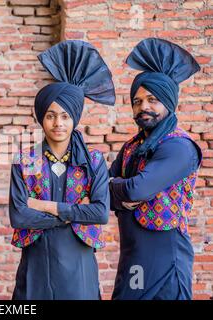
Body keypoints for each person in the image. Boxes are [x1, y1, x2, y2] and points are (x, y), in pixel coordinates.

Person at [9, 40, 114, 299]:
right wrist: (76, 212)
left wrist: (46, 206)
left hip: (78, 260)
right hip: (37, 259)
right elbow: (19, 217)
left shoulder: (93, 162)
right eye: (51, 115)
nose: (58, 123)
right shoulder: (25, 160)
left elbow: (100, 213)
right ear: (42, 119)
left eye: (65, 116)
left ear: (75, 119)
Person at [109, 38, 202, 300]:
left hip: (165, 255)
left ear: (168, 103)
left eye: (152, 99)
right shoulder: (131, 146)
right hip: (134, 253)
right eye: (137, 101)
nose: (143, 107)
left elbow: (139, 188)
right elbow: (100, 191)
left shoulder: (179, 147)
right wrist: (118, 192)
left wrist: (118, 188)